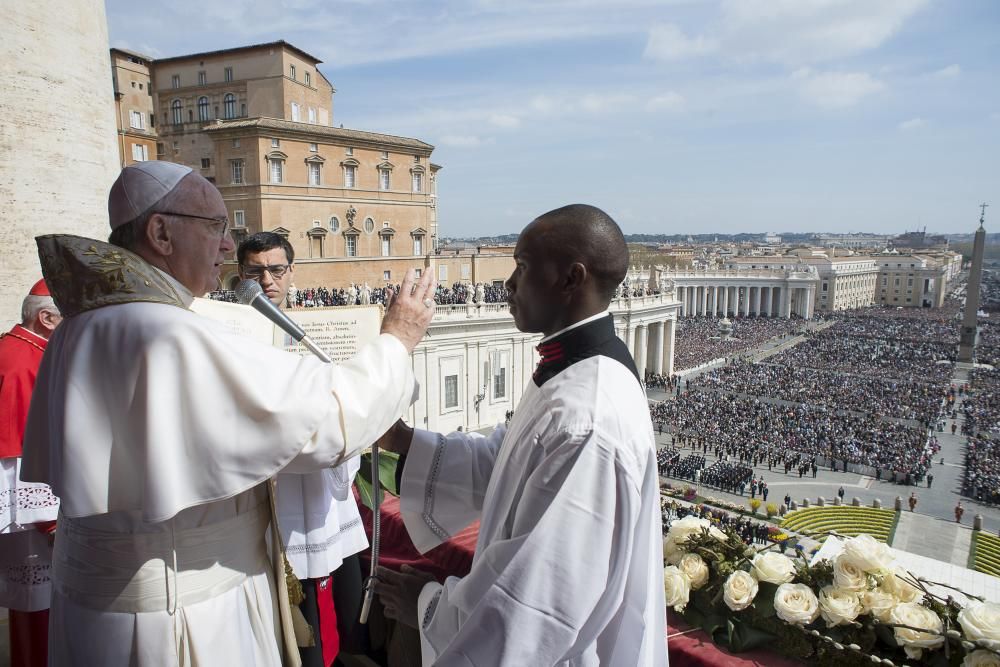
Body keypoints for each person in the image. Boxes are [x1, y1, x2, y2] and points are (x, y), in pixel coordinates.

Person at [20, 161, 436, 666]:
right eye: (216, 227)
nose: (225, 247)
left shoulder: (79, 327)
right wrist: (397, 340)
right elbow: (325, 422)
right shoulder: (166, 332)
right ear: (161, 232)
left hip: (100, 607)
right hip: (183, 615)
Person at [374, 204, 668, 665]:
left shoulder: (586, 415)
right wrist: (402, 440)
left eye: (523, 267)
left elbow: (536, 601)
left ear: (572, 279)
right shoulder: (571, 371)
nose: (508, 283)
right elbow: (504, 464)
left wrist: (429, 603)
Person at [238, 231, 368, 665]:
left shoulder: (322, 331)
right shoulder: (232, 336)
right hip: (269, 494)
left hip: (320, 489)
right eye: (255, 272)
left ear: (292, 272)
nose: (267, 280)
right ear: (240, 277)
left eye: (276, 270)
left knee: (338, 612)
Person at [0, 279, 61, 667]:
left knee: (30, 604)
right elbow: (23, 442)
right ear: (46, 318)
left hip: (27, 510)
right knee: (39, 603)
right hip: (28, 511)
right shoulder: (24, 361)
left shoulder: (16, 346)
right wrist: (49, 518)